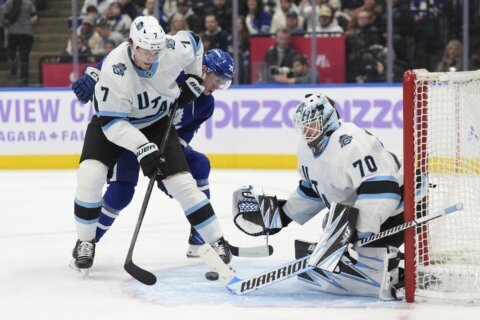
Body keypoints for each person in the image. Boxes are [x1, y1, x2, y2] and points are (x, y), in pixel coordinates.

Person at [70, 16, 232, 274]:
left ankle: (217, 241)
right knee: (90, 175)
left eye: (155, 52)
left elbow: (196, 42)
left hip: (156, 123)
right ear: (131, 44)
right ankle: (86, 241)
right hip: (111, 124)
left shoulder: (170, 48)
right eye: (145, 52)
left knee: (182, 183)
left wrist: (192, 77)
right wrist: (142, 148)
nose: (150, 58)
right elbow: (114, 123)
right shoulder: (115, 68)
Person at [231, 93, 412, 300]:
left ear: (328, 121)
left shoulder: (354, 144)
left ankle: (400, 272)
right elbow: (313, 189)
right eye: (303, 126)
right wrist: (284, 215)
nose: (307, 131)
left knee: (351, 256)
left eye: (312, 124)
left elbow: (383, 191)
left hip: (403, 206)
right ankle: (375, 261)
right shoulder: (306, 149)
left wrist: (355, 233)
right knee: (336, 233)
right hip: (372, 207)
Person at [3, 0, 37, 86]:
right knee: (24, 57)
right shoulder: (29, 3)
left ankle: (14, 58)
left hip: (13, 32)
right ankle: (24, 79)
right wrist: (29, 23)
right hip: (26, 33)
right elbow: (34, 17)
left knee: (11, 49)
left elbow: (5, 19)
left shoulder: (8, 3)